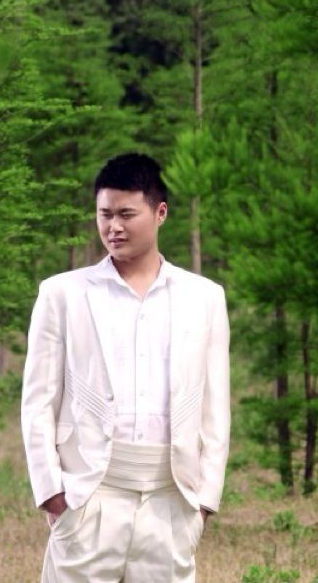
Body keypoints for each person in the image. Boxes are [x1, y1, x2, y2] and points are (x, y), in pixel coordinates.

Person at [21, 153, 230, 582]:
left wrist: (204, 502)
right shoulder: (63, 294)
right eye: (105, 215)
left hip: (171, 501)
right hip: (89, 495)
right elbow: (38, 400)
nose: (113, 227)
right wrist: (53, 495)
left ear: (160, 213)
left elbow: (215, 407)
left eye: (126, 214)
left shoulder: (204, 297)